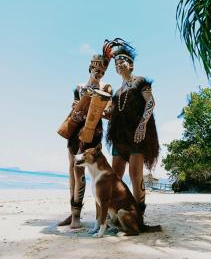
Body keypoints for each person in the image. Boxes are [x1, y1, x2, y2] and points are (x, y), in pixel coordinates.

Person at [106, 39, 159, 217]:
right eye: (116, 63)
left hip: (137, 134)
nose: (119, 65)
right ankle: (116, 212)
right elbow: (112, 113)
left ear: (131, 65)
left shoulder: (140, 82)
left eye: (122, 62)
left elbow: (151, 103)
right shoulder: (117, 92)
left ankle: (140, 216)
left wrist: (142, 125)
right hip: (119, 137)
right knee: (115, 176)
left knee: (135, 174)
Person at [58, 53, 112, 228]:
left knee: (80, 171)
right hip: (75, 132)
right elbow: (75, 106)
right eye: (96, 70)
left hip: (93, 132)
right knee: (72, 171)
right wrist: (77, 109)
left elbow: (109, 113)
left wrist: (100, 110)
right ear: (90, 68)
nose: (99, 74)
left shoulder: (107, 88)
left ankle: (78, 218)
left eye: (102, 72)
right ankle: (74, 212)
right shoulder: (79, 87)